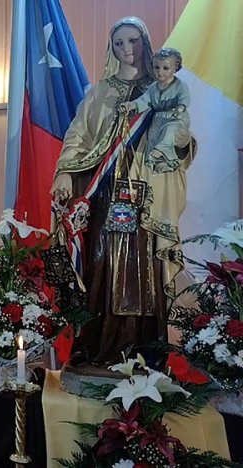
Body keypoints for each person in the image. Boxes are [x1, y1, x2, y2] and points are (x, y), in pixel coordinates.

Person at [50, 17, 195, 367]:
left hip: (146, 199)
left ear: (145, 42)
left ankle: (145, 352)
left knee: (143, 271)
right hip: (106, 196)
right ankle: (97, 349)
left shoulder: (164, 88)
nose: (127, 49)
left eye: (133, 40)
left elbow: (181, 138)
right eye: (119, 43)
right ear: (111, 49)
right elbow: (78, 137)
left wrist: (179, 143)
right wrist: (65, 172)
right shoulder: (100, 93)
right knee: (102, 267)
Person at [118, 48, 190, 173]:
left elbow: (184, 98)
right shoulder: (153, 88)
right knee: (152, 136)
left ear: (175, 68)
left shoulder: (180, 85)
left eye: (165, 68)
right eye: (157, 67)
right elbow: (144, 100)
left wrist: (180, 107)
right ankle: (161, 163)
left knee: (169, 130)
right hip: (158, 118)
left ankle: (163, 150)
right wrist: (131, 105)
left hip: (175, 117)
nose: (160, 72)